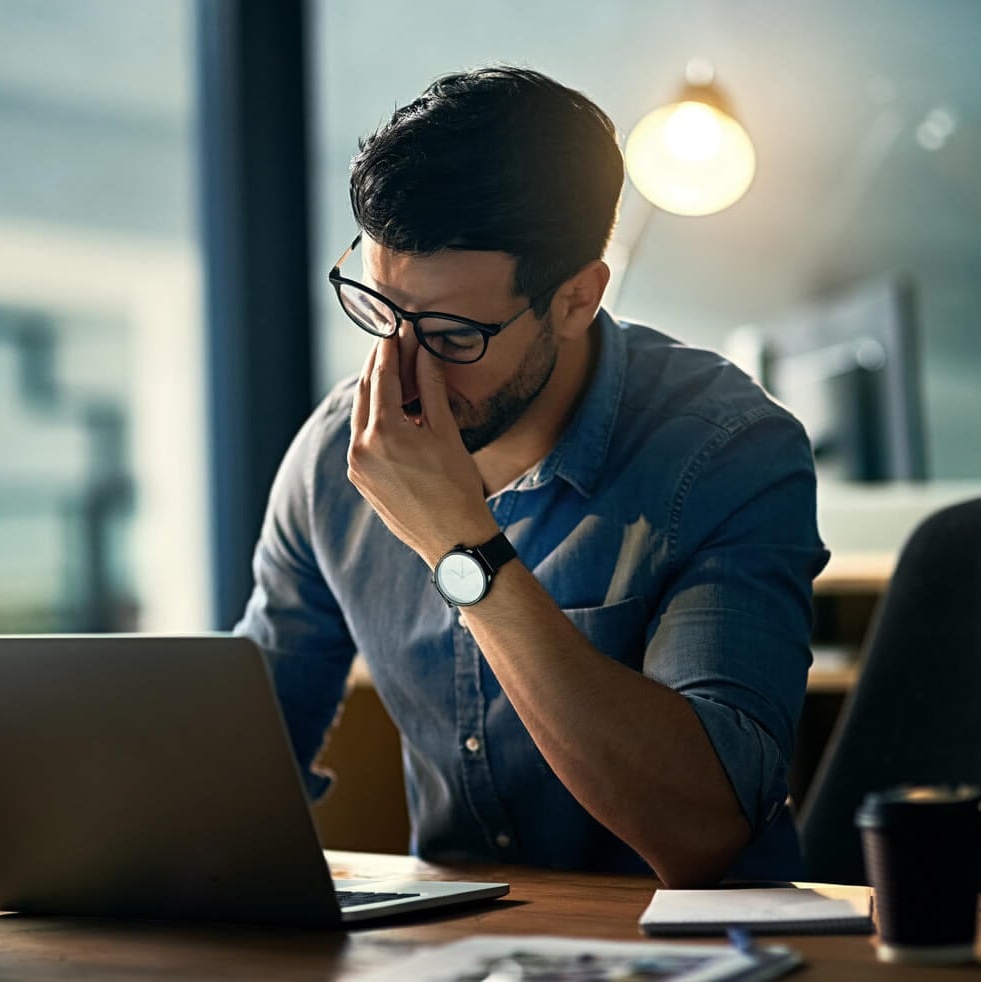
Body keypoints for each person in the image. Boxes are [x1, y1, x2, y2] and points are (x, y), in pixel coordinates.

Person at [236, 65, 829, 887]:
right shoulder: (339, 454)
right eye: (382, 311)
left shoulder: (727, 453)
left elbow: (704, 829)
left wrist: (458, 544)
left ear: (578, 299)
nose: (403, 370)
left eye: (450, 334)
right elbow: (241, 762)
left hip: (693, 955)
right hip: (449, 949)